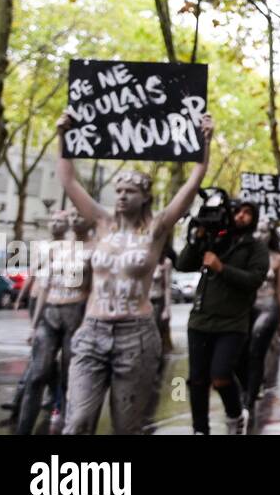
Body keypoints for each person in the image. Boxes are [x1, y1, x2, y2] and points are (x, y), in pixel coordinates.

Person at [55, 111, 214, 435]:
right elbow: (69, 181)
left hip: (136, 336)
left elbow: (193, 182)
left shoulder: (156, 229)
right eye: (118, 190)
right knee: (77, 422)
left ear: (145, 196)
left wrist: (204, 142)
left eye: (130, 190)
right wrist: (64, 136)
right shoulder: (100, 222)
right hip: (92, 332)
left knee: (126, 426)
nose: (122, 195)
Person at [176, 196, 270, 435]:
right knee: (197, 380)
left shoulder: (256, 247)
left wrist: (222, 268)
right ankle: (200, 429)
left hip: (233, 324)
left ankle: (236, 416)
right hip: (200, 320)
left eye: (247, 213)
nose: (241, 216)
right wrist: (197, 239)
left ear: (254, 218)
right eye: (237, 211)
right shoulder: (214, 238)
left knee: (220, 376)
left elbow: (254, 280)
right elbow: (183, 264)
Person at [15, 210, 94, 435]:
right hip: (50, 313)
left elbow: (96, 291)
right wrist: (34, 323)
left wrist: (89, 324)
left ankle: (68, 424)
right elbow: (45, 285)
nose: (75, 219)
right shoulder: (56, 249)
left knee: (71, 376)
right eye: (73, 216)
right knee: (36, 374)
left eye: (81, 215)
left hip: (76, 315)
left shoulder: (95, 249)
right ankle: (23, 430)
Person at [242, 218, 280, 412]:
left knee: (256, 351)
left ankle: (250, 398)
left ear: (271, 235)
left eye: (264, 231)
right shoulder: (245, 254)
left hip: (268, 307)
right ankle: (246, 389)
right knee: (241, 351)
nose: (260, 235)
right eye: (257, 231)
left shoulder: (277, 259)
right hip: (246, 308)